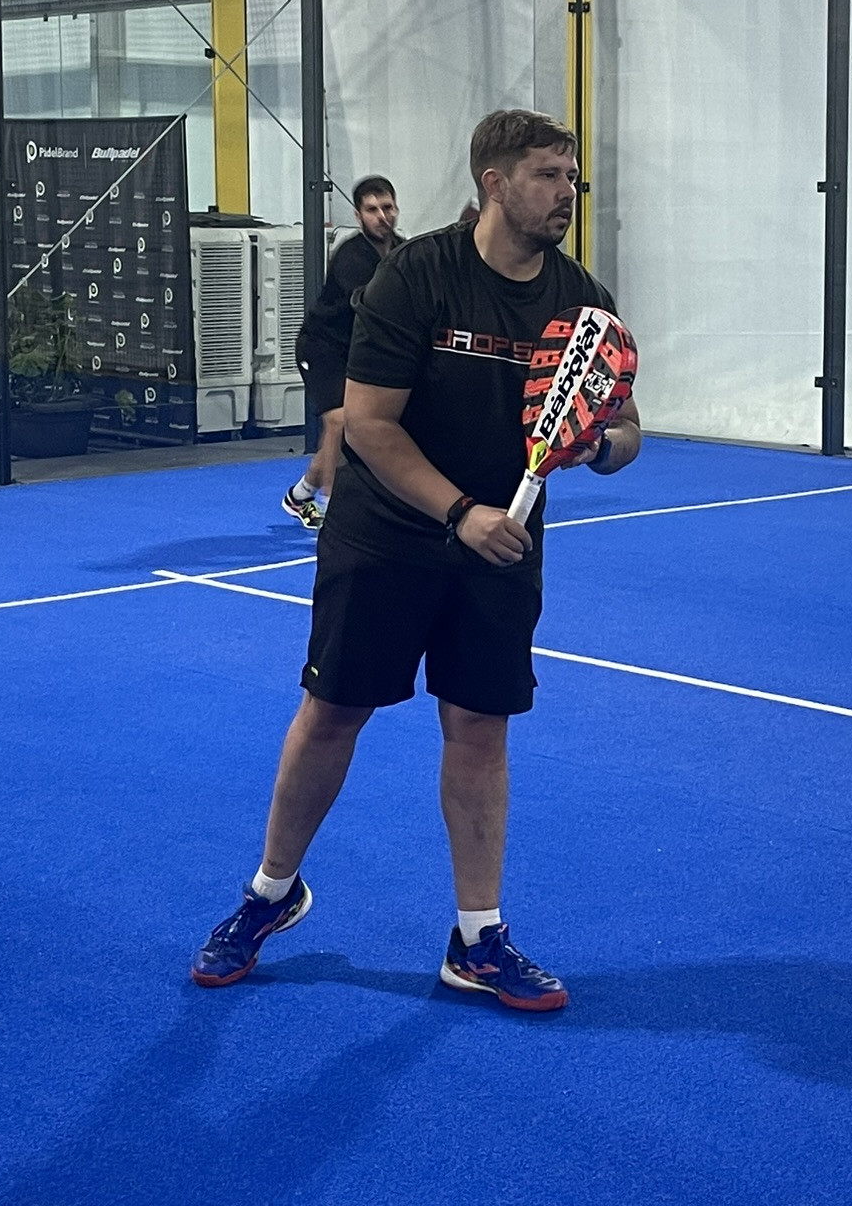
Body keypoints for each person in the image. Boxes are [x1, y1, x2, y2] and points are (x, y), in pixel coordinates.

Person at [192, 109, 642, 1012]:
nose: (567, 192)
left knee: (480, 729)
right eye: (548, 175)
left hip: (500, 550)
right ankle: (270, 894)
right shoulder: (416, 276)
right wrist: (461, 512)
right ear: (494, 183)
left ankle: (477, 941)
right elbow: (368, 425)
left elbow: (626, 426)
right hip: (386, 536)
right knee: (333, 713)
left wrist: (596, 444)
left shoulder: (582, 300)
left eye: (571, 176)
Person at [283, 176, 402, 529]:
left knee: (348, 426)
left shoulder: (402, 251)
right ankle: (337, 512)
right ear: (358, 215)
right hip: (321, 349)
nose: (381, 216)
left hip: (357, 353)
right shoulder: (352, 257)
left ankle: (301, 495)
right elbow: (376, 307)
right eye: (372, 210)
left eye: (387, 207)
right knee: (339, 421)